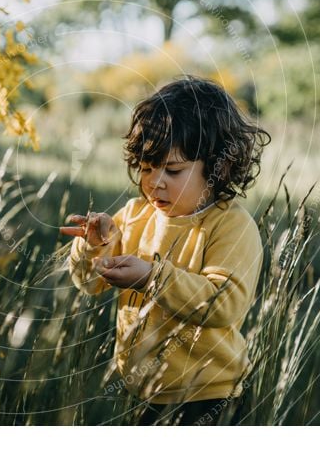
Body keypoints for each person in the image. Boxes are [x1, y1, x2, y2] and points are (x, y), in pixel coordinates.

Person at [59, 76, 270, 425]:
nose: (155, 182)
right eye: (145, 168)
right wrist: (94, 246)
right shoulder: (134, 216)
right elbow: (89, 283)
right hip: (142, 390)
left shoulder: (230, 226)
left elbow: (223, 304)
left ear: (219, 167)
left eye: (173, 170)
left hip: (209, 397)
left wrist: (152, 279)